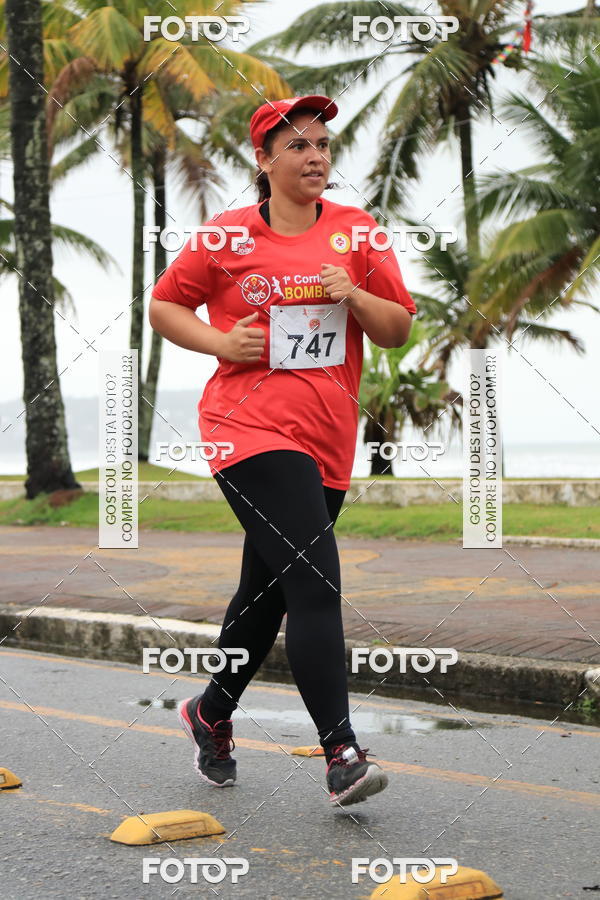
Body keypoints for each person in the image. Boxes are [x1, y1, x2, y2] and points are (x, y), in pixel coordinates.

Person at [149, 95, 417, 806]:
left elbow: (397, 329)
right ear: (264, 160)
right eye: (298, 145)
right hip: (246, 429)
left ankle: (210, 711)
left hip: (328, 438)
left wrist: (354, 295)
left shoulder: (358, 232)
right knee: (316, 582)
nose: (315, 155)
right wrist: (220, 341)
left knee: (266, 593)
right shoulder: (227, 237)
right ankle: (342, 754)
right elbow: (164, 305)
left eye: (323, 143)